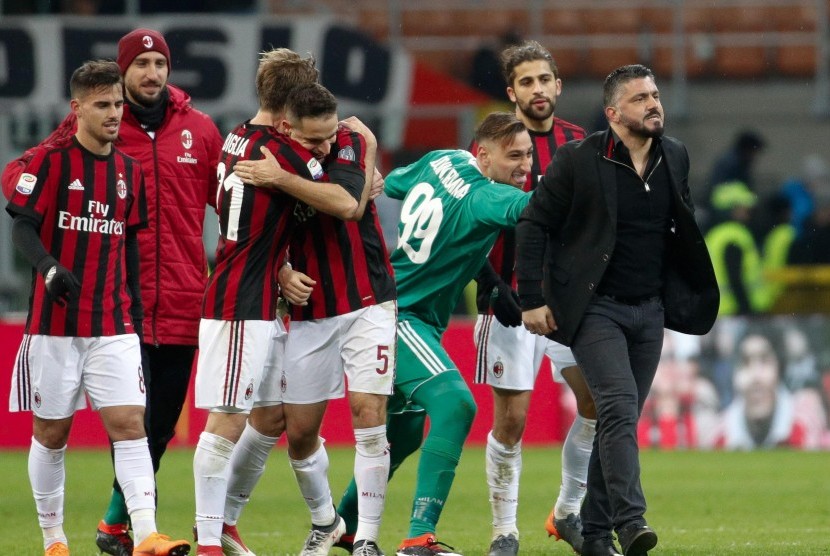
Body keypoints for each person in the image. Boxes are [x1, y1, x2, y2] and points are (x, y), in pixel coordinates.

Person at [2, 28, 224, 556]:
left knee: (144, 427)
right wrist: (49, 263)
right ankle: (56, 538)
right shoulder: (62, 152)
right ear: (82, 106)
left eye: (160, 62)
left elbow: (224, 204)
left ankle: (136, 531)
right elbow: (22, 198)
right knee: (53, 431)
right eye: (140, 63)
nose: (152, 73)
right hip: (66, 319)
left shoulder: (185, 139)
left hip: (150, 310)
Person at [516, 64, 719, 556]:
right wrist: (531, 299)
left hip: (649, 311)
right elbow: (533, 223)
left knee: (616, 420)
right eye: (641, 99)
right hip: (595, 308)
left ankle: (591, 532)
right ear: (613, 113)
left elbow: (681, 229)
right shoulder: (579, 159)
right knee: (619, 408)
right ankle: (631, 522)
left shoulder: (674, 155)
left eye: (655, 94)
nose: (654, 104)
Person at [191, 75, 379, 556]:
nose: (326, 146)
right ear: (285, 121)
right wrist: (363, 158)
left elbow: (252, 219)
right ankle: (210, 539)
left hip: (267, 300)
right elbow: (344, 203)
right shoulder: (279, 154)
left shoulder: (238, 136)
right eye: (314, 138)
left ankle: (320, 523)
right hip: (239, 302)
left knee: (271, 418)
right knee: (227, 422)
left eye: (330, 136)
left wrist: (281, 267)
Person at [335, 111, 533, 556]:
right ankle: (418, 538)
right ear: (483, 155)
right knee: (456, 404)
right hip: (400, 314)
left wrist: (485, 276)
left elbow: (400, 183)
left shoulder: (444, 159)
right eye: (514, 156)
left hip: (398, 306)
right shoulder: (489, 197)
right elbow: (531, 210)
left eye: (528, 155)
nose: (524, 166)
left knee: (404, 434)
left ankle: (343, 527)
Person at [469, 40, 591, 556]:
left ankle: (567, 511)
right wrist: (494, 288)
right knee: (512, 422)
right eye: (526, 82)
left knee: (598, 406)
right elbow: (468, 222)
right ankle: (504, 531)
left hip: (568, 305)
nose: (537, 90)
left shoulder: (581, 145)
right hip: (509, 304)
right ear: (511, 92)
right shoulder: (493, 146)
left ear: (558, 86)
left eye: (544, 80)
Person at [715, 323, 827, 449]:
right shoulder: (721, 438)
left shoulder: (804, 425)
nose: (755, 376)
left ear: (779, 369)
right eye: (745, 362)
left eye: (765, 361)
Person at [704, 181, 764, 315]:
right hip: (735, 313)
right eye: (743, 208)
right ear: (732, 209)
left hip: (716, 312)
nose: (748, 213)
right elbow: (735, 277)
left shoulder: (715, 235)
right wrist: (747, 309)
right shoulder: (735, 235)